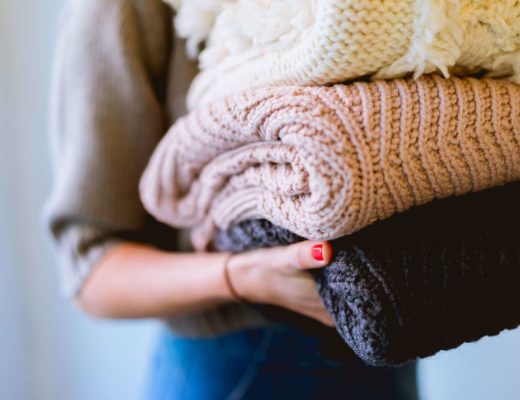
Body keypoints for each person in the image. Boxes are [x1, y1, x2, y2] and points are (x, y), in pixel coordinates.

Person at [43, 0, 417, 398]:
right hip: (245, 361)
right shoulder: (119, 10)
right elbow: (91, 272)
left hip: (385, 339)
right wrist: (241, 276)